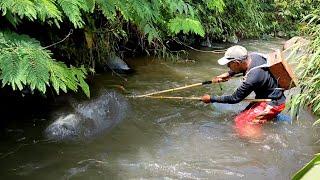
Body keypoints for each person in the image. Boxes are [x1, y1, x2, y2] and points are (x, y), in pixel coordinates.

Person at [201, 45, 286, 138]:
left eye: (229, 64)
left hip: (273, 103)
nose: (228, 66)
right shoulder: (253, 56)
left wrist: (211, 99)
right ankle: (268, 119)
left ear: (237, 63)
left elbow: (235, 98)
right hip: (269, 96)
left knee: (242, 123)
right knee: (241, 115)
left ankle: (259, 144)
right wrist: (229, 74)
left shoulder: (252, 78)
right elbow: (242, 67)